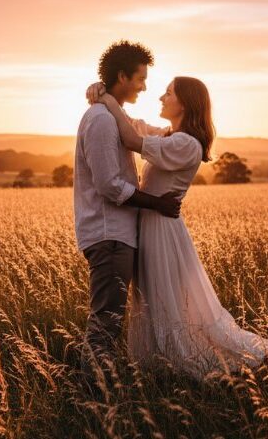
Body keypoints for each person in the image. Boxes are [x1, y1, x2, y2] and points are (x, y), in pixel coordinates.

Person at [86, 76, 268, 378]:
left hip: (161, 230)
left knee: (164, 297)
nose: (161, 97)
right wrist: (103, 95)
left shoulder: (186, 144)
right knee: (154, 297)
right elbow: (135, 126)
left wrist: (107, 102)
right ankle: (161, 366)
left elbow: (132, 140)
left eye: (168, 93)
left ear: (183, 103)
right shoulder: (172, 136)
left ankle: (183, 364)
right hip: (151, 224)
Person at [74, 40, 182, 381]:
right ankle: (91, 394)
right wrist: (158, 204)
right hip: (109, 235)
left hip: (118, 235)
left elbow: (142, 131)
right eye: (140, 78)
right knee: (106, 321)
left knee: (110, 318)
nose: (145, 86)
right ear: (122, 76)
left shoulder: (113, 116)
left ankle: (93, 384)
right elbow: (109, 185)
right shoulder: (102, 121)